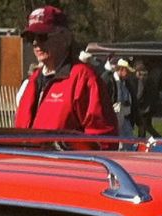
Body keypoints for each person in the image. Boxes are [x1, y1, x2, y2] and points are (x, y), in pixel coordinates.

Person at [13, 6, 115, 134]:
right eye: (30, 37)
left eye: (42, 36)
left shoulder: (84, 79)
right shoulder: (33, 80)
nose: (35, 43)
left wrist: (64, 146)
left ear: (65, 38)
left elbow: (102, 136)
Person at [132, 59, 161, 140]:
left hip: (145, 108)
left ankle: (146, 139)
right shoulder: (147, 81)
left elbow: (140, 95)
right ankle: (145, 139)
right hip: (146, 107)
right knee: (145, 125)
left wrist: (136, 102)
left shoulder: (143, 82)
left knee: (144, 126)